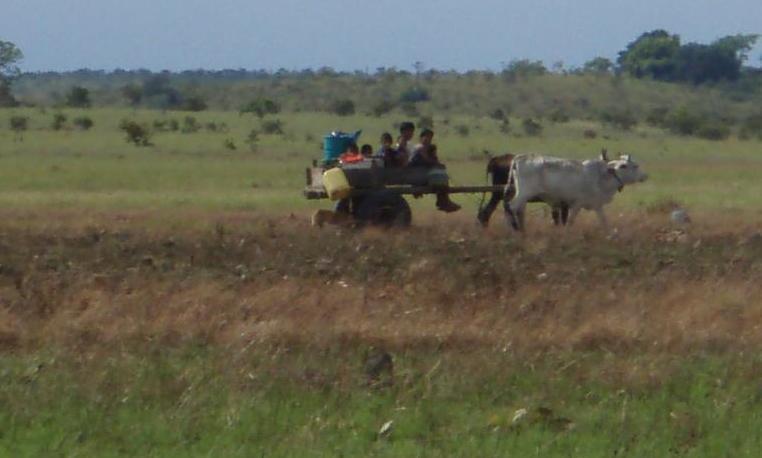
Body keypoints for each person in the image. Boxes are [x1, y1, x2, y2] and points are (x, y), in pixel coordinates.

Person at [408, 129, 461, 213]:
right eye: (426, 137)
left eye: (430, 138)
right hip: (418, 174)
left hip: (421, 173)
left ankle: (444, 201)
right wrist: (437, 164)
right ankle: (443, 202)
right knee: (439, 178)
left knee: (441, 177)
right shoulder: (420, 147)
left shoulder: (426, 148)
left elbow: (431, 160)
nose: (428, 140)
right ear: (421, 138)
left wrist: (437, 163)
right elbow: (427, 161)